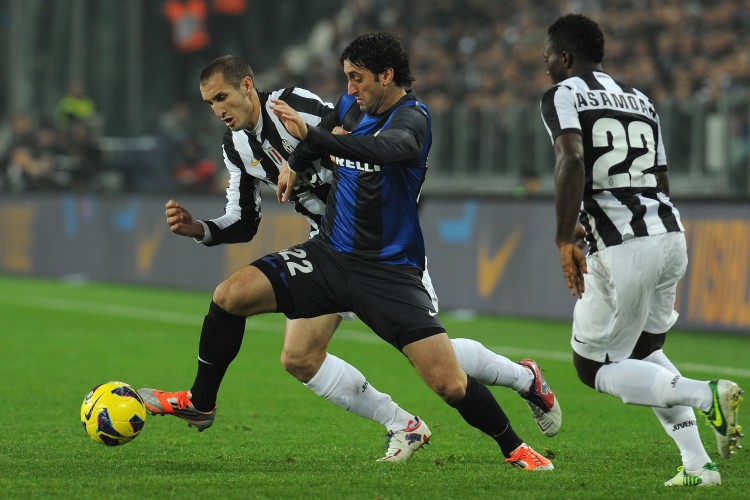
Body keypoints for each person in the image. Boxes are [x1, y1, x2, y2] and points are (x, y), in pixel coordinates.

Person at [140, 41, 559, 469]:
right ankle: (398, 424)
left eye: (221, 98)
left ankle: (524, 380)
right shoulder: (240, 147)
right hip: (329, 248)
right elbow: (246, 220)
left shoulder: (316, 107)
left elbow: (351, 140)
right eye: (209, 103)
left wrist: (311, 146)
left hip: (386, 259)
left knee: (442, 368)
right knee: (283, 342)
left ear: (247, 86)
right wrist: (203, 229)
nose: (217, 110)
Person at [540, 14, 744, 487]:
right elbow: (661, 177)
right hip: (670, 235)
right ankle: (698, 466)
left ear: (565, 57)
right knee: (646, 351)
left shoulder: (564, 94)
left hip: (626, 246)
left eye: (548, 55)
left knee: (593, 367)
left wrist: (563, 236)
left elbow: (571, 158)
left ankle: (704, 393)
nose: (545, 65)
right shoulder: (641, 100)